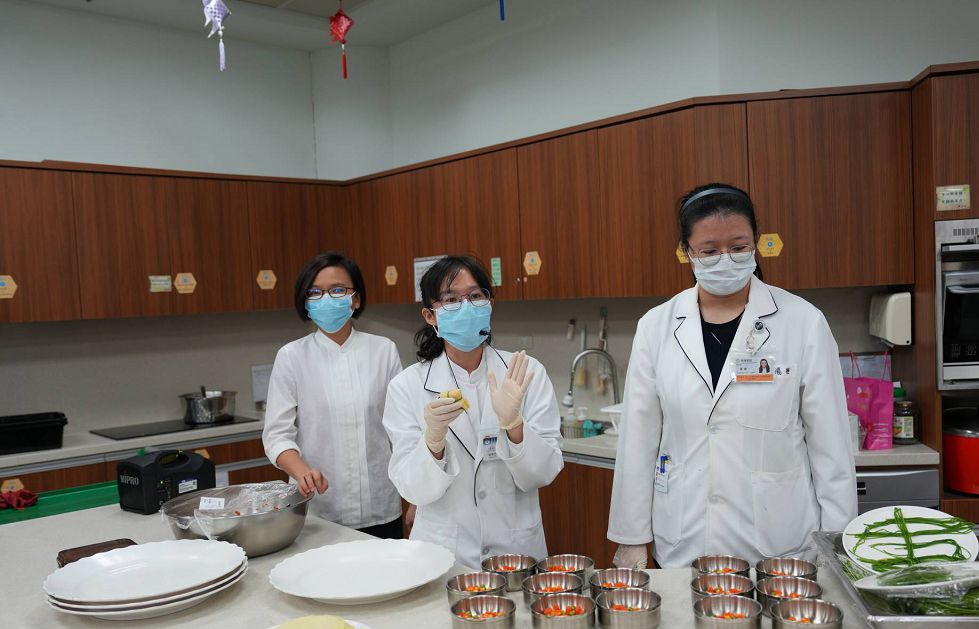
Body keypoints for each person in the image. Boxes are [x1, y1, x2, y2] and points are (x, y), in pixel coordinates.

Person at [607, 183, 856, 569]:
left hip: (779, 547)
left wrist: (837, 545)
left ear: (756, 243)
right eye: (709, 251)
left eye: (738, 247)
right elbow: (638, 441)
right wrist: (631, 537)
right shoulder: (656, 327)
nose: (725, 260)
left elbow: (831, 447)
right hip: (684, 539)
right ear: (687, 251)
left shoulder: (803, 322)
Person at [383, 256, 563, 568]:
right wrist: (433, 443)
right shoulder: (407, 386)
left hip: (515, 551)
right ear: (430, 315)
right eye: (451, 299)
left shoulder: (525, 372)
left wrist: (514, 426)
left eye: (475, 296)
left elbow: (545, 472)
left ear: (489, 304)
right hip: (444, 554)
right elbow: (412, 489)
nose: (466, 306)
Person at [263, 252, 405, 539]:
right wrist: (301, 471)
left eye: (338, 290)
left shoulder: (383, 350)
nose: (327, 299)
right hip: (319, 509)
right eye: (315, 292)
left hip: (381, 506)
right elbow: (276, 435)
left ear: (356, 299)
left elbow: (402, 431)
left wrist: (414, 499)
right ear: (306, 302)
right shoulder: (292, 356)